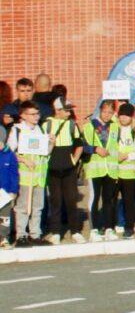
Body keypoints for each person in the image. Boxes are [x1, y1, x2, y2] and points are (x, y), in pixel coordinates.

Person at [43, 97, 85, 244]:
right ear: (57, 110)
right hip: (52, 169)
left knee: (71, 200)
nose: (69, 113)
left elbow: (80, 144)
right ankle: (55, 232)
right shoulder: (46, 125)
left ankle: (75, 231)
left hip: (69, 169)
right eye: (66, 110)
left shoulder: (72, 125)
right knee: (55, 201)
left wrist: (74, 160)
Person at [8, 102, 49, 245]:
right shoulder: (17, 131)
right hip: (24, 176)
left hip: (39, 176)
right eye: (32, 114)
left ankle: (35, 234)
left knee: (38, 206)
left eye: (37, 114)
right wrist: (24, 160)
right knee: (23, 207)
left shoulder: (40, 130)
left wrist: (51, 143)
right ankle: (21, 235)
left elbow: (45, 153)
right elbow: (10, 152)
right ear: (23, 115)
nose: (36, 117)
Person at [109, 103, 135, 238]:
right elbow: (110, 146)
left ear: (131, 117)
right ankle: (111, 225)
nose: (123, 118)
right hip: (115, 171)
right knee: (112, 200)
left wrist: (127, 155)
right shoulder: (114, 130)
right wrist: (116, 155)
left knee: (129, 201)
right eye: (121, 115)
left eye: (126, 115)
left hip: (131, 173)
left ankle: (129, 226)